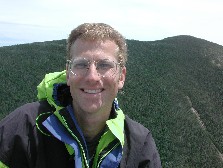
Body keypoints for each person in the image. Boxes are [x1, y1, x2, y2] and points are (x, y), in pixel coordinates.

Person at [0, 23, 160, 168]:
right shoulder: (22, 128)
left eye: (104, 65)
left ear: (121, 77)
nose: (92, 77)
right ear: (68, 73)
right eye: (81, 64)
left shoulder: (139, 144)